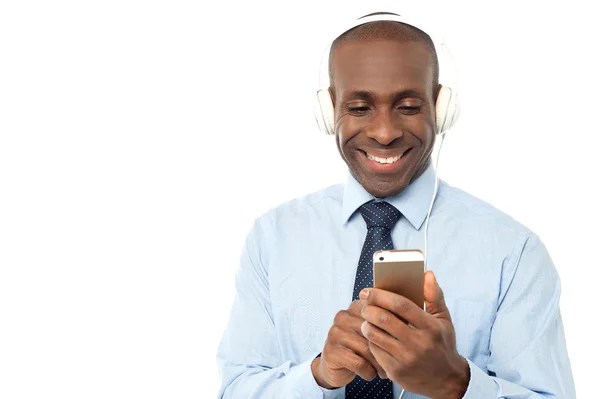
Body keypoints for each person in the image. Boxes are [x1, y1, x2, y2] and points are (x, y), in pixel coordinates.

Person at [216, 11, 576, 399]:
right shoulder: (272, 238)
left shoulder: (513, 251)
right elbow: (235, 390)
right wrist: (318, 374)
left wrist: (456, 382)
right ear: (329, 110)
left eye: (407, 106)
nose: (384, 133)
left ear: (440, 108)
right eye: (358, 108)